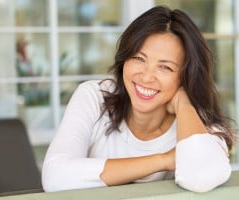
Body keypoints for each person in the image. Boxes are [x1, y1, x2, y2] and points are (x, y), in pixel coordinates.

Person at [42, 6, 235, 193]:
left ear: (186, 77)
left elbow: (200, 178)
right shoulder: (94, 96)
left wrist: (184, 103)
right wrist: (165, 160)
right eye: (139, 59)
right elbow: (54, 176)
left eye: (165, 67)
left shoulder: (198, 124)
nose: (146, 77)